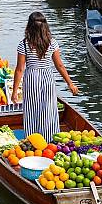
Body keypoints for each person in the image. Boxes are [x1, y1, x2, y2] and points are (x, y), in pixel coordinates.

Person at [11, 12, 79, 141]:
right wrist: (70, 83)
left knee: (31, 109)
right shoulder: (52, 43)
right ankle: (49, 139)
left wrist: (15, 92)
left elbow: (20, 69)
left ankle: (32, 140)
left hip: (31, 77)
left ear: (29, 27)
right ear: (45, 26)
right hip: (47, 77)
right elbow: (60, 65)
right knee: (48, 108)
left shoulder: (24, 44)